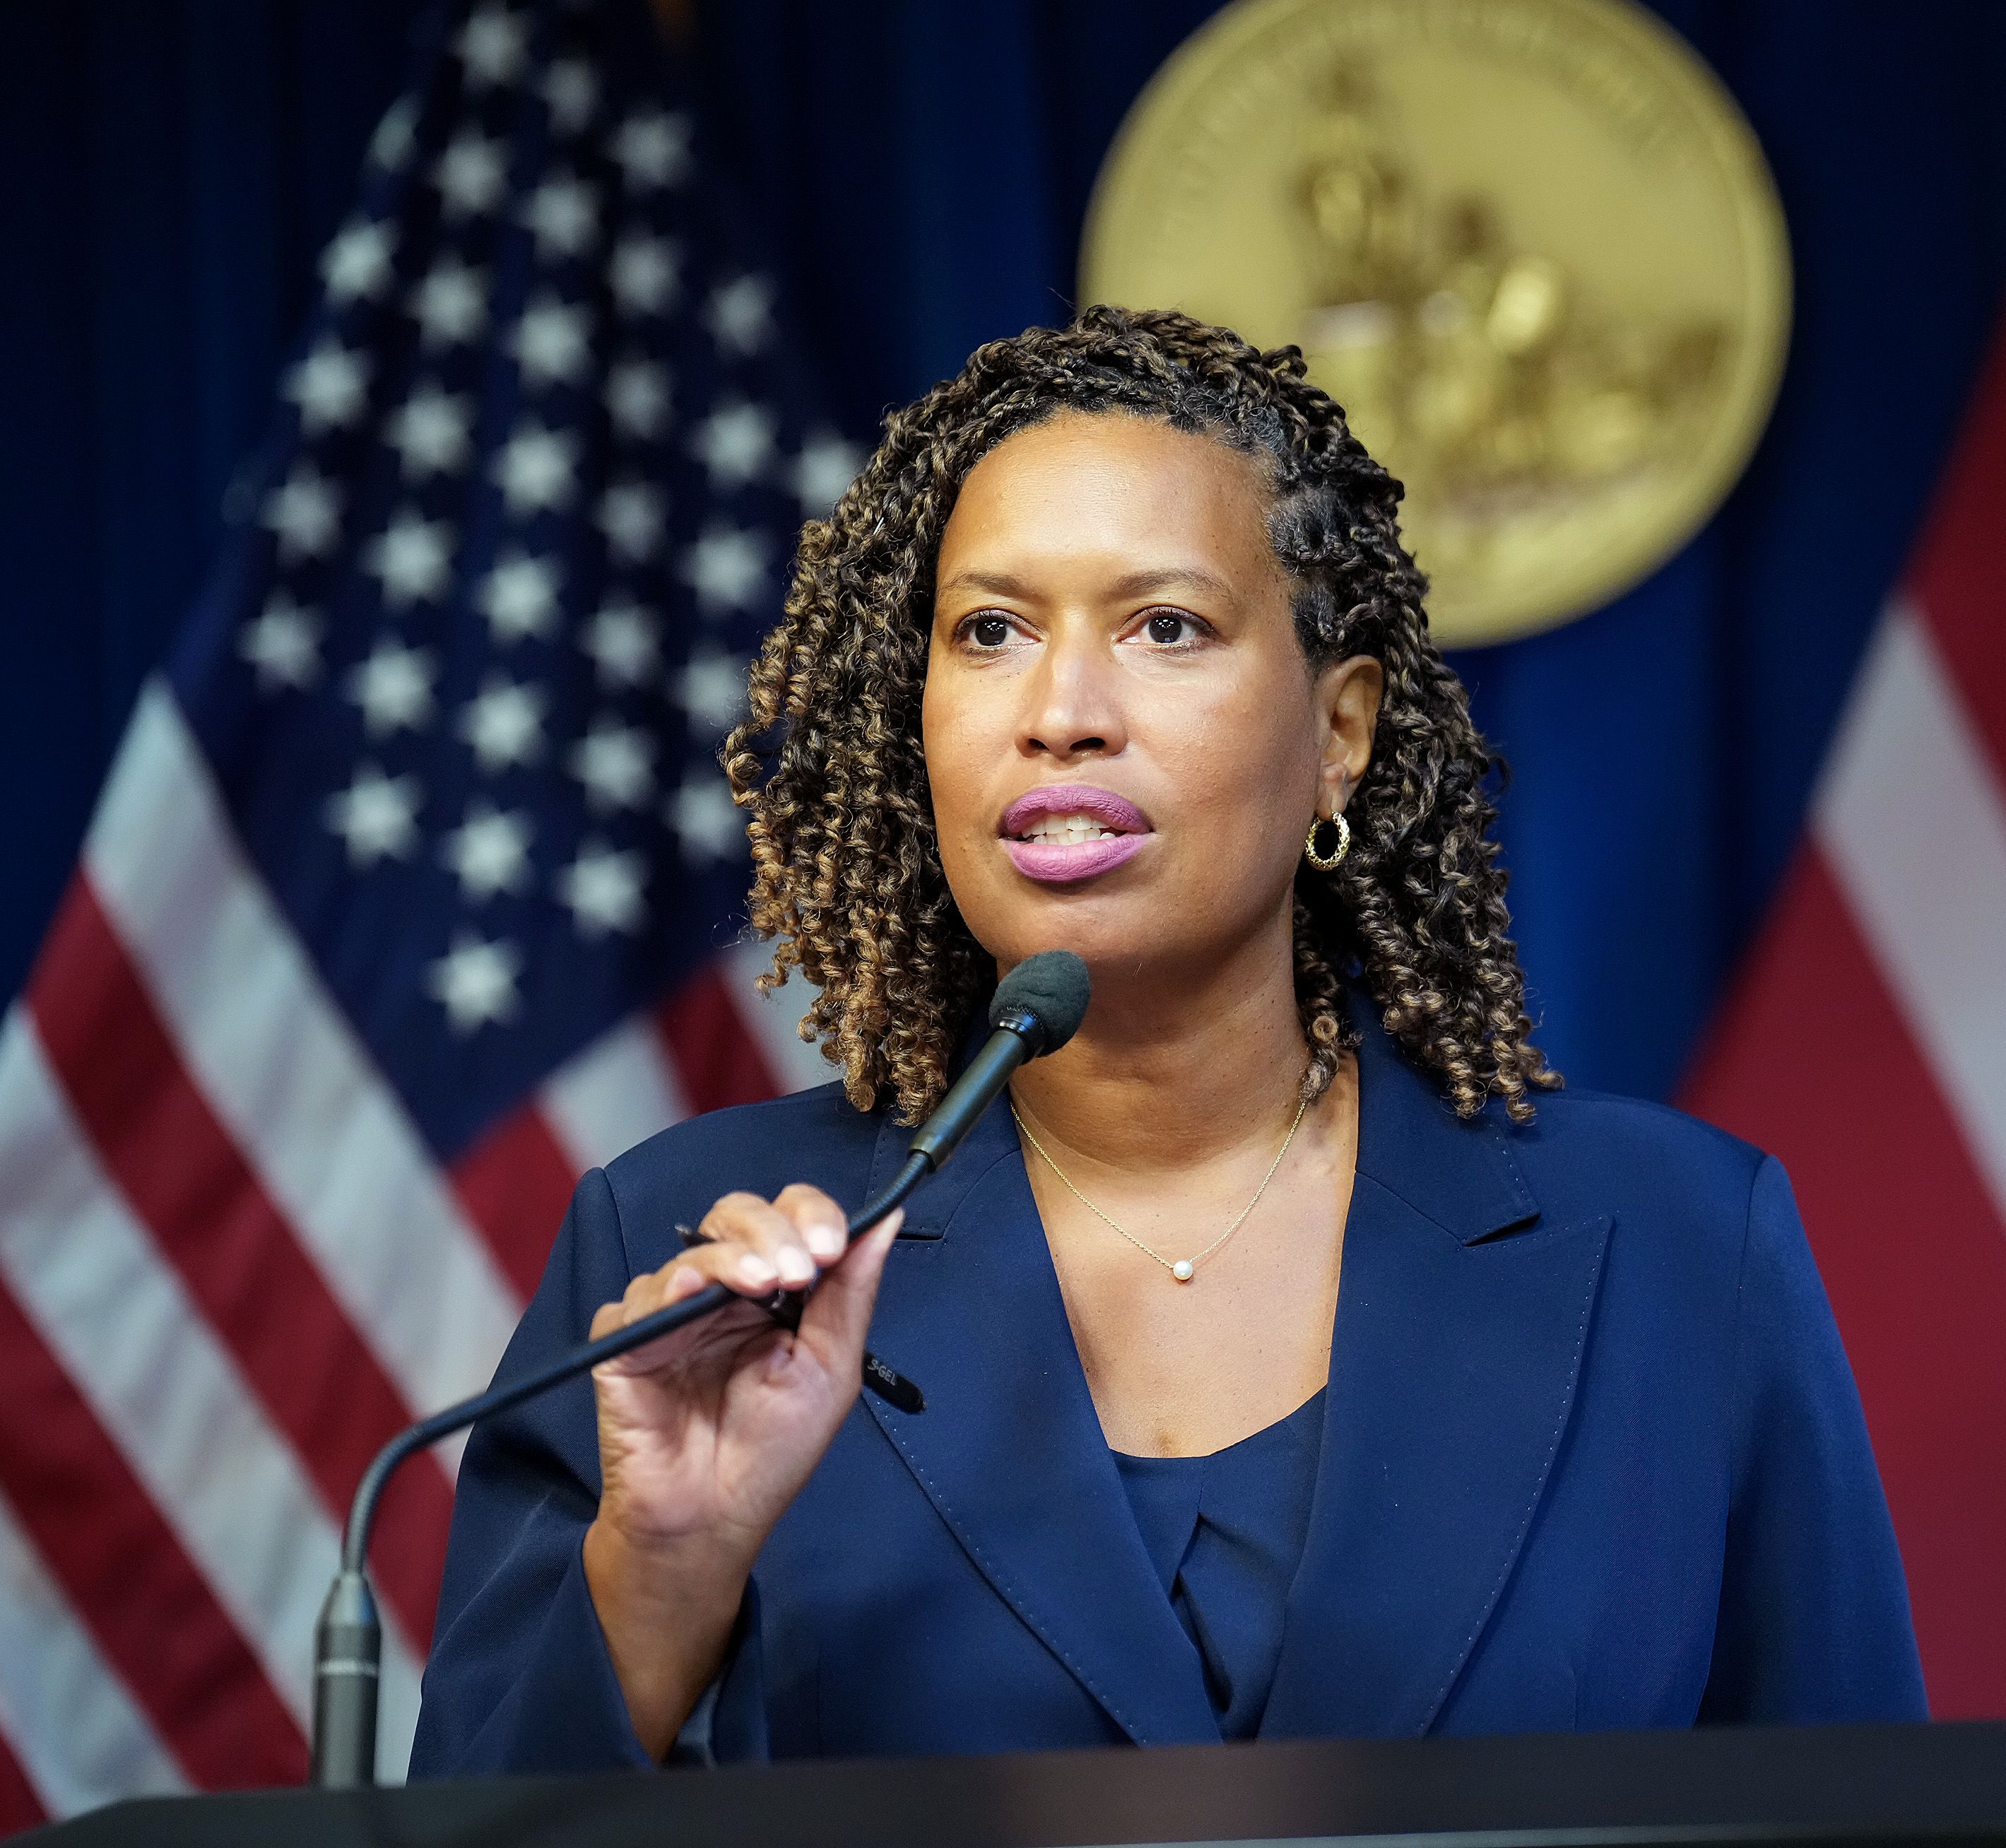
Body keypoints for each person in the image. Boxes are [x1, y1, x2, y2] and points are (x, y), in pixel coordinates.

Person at [411, 307, 1926, 1772]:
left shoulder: (1678, 1244)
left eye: (1166, 627)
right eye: (991, 630)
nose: (1063, 710)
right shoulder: (687, 1264)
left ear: (1340, 731)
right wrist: (663, 1573)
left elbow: (1869, 1837)